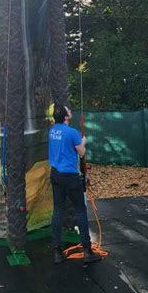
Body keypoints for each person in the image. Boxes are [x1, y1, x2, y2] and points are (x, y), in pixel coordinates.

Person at [48, 104, 101, 264]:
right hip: (70, 176)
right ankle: (87, 251)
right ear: (65, 116)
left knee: (58, 211)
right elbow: (81, 152)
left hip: (55, 174)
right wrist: (84, 141)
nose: (71, 111)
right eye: (68, 110)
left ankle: (57, 252)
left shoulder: (52, 130)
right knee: (80, 211)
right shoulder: (72, 133)